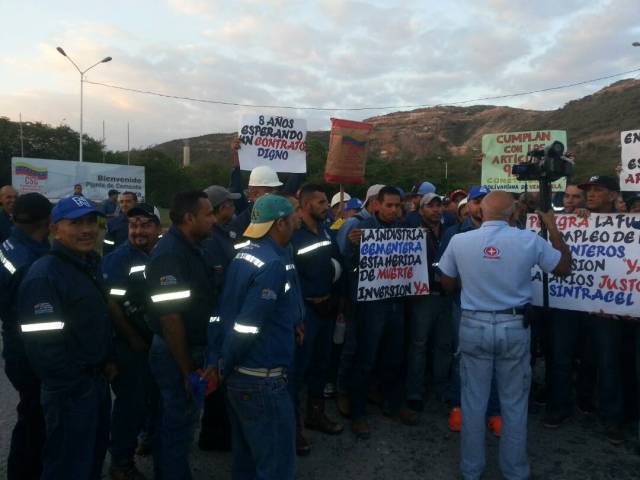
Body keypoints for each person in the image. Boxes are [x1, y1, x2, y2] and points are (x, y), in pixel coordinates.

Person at [438, 190, 571, 480]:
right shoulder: (528, 239)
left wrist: (475, 280)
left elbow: (446, 282)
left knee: (473, 401)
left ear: (480, 213)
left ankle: (471, 470)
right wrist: (553, 228)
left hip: (473, 324)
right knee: (513, 402)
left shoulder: (460, 241)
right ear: (514, 214)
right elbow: (563, 268)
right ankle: (515, 472)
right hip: (513, 327)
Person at [17, 195, 113, 480]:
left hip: (95, 382)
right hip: (72, 391)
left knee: (92, 459)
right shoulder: (45, 275)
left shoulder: (88, 263)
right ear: (54, 229)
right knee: (68, 466)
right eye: (75, 223)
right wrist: (75, 384)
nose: (86, 229)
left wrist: (106, 361)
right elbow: (43, 347)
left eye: (90, 222)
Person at [218, 194, 304, 480]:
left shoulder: (244, 254)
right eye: (292, 217)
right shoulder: (272, 265)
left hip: (240, 378)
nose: (296, 221)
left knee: (246, 463)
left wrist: (222, 364)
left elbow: (224, 312)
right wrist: (224, 364)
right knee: (275, 466)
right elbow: (247, 327)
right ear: (280, 223)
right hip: (261, 380)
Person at [145, 191, 218, 479]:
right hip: (176, 352)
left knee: (182, 421)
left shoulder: (191, 246)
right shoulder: (170, 255)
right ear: (190, 218)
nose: (213, 219)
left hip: (188, 347)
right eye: (208, 214)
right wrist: (188, 370)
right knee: (177, 422)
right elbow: (170, 317)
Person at [347, 186, 418, 438]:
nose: (394, 210)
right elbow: (348, 266)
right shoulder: (363, 231)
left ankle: (393, 404)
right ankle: (358, 414)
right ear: (377, 204)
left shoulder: (407, 230)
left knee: (395, 357)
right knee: (365, 359)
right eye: (389, 205)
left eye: (398, 205)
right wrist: (351, 246)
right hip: (371, 307)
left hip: (397, 303)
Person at [103, 203, 163, 480]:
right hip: (130, 345)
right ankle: (121, 463)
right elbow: (112, 305)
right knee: (131, 404)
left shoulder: (162, 254)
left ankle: (148, 438)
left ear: (158, 228)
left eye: (145, 224)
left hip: (156, 341)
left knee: (154, 396)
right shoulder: (118, 259)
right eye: (133, 225)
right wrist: (132, 337)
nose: (138, 231)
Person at [439, 185, 502, 433]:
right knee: (462, 356)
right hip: (462, 305)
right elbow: (445, 274)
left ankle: (494, 410)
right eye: (477, 201)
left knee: (496, 359)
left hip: (497, 309)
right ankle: (459, 405)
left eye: (486, 201)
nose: (481, 206)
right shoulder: (453, 234)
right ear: (469, 206)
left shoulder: (508, 234)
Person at [290, 184, 344, 456]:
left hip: (326, 310)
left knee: (321, 366)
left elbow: (334, 264)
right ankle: (293, 429)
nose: (327, 206)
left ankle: (315, 414)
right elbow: (289, 276)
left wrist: (335, 298)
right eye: (322, 202)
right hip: (305, 313)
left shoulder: (324, 230)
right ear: (307, 204)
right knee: (297, 371)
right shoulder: (292, 235)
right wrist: (303, 305)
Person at [0, 193, 51, 480]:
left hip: (14, 341)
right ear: (48, 221)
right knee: (35, 420)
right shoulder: (35, 261)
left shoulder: (10, 242)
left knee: (30, 414)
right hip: (30, 351)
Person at [572, 175, 627, 444]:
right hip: (575, 305)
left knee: (608, 362)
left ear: (613, 195)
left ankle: (612, 417)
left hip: (609, 310)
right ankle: (581, 402)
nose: (591, 195)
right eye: (588, 191)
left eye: (597, 190)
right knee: (578, 357)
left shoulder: (629, 224)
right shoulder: (577, 218)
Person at [544, 183, 596, 429]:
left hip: (598, 305)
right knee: (560, 356)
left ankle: (587, 400)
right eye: (567, 195)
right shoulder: (552, 220)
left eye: (576, 197)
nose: (570, 200)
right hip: (563, 302)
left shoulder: (602, 221)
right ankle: (559, 406)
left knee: (592, 356)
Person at [334, 184, 384, 416]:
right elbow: (345, 260)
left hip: (378, 297)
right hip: (356, 296)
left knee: (372, 347)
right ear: (374, 202)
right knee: (352, 347)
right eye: (387, 204)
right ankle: (343, 391)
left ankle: (366, 388)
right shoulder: (354, 224)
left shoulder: (389, 226)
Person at [198, 185, 240, 452]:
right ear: (220, 208)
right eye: (230, 204)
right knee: (215, 376)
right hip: (216, 318)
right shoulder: (212, 239)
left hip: (222, 315)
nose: (234, 208)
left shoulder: (223, 233)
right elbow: (215, 280)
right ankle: (212, 435)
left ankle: (217, 431)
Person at [405, 193, 452, 412]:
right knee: (419, 344)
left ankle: (441, 387)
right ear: (421, 209)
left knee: (444, 344)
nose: (436, 209)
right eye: (430, 206)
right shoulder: (411, 232)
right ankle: (414, 391)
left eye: (439, 205)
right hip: (424, 296)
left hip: (447, 294)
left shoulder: (450, 231)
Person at [227, 138, 304, 246]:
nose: (275, 194)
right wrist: (236, 157)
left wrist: (300, 159)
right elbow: (235, 188)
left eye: (276, 190)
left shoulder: (280, 208)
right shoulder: (242, 218)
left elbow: (292, 184)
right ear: (254, 194)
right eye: (269, 190)